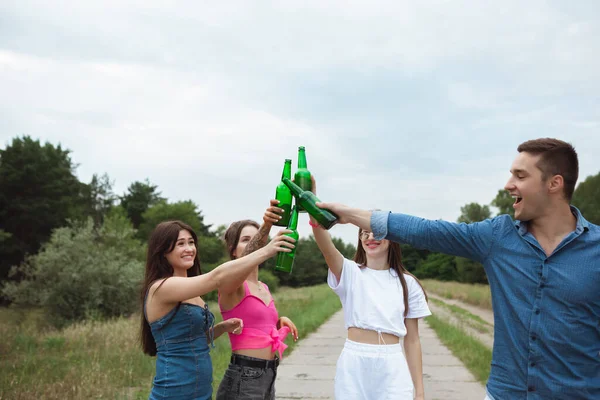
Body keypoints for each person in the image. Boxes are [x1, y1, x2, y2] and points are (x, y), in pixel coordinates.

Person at [316, 138, 600, 399]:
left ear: (554, 183)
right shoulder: (497, 236)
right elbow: (427, 231)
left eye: (520, 176)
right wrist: (350, 215)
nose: (508, 184)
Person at [140, 220, 295, 400]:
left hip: (201, 389)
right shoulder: (162, 288)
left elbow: (193, 341)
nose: (189, 248)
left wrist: (221, 328)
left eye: (191, 242)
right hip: (174, 390)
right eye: (180, 244)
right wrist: (266, 250)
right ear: (162, 251)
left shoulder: (192, 293)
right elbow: (217, 278)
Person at [309, 177, 430, 400]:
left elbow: (412, 340)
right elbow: (326, 247)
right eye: (364, 233)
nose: (370, 237)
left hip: (392, 363)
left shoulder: (407, 283)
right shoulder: (350, 272)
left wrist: (419, 392)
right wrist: (313, 205)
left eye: (376, 232)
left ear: (391, 239)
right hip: (354, 361)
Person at [216, 200, 299, 400]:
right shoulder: (232, 285)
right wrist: (266, 226)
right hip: (244, 378)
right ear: (233, 249)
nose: (258, 243)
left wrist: (279, 322)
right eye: (246, 239)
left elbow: (255, 324)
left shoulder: (264, 287)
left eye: (259, 239)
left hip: (268, 376)